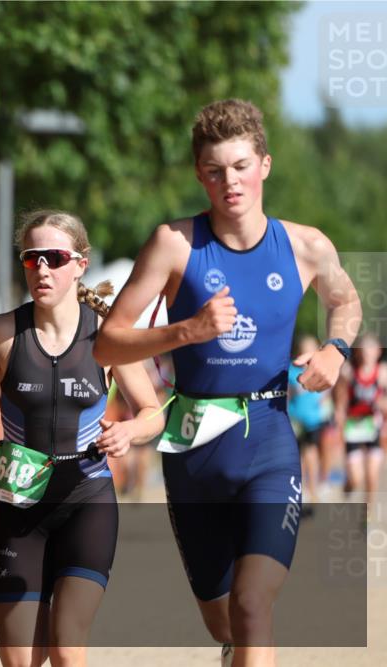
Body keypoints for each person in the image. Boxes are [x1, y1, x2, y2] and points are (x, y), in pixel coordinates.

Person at [93, 99, 361, 666]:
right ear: (199, 174)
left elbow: (346, 301)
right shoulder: (173, 244)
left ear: (265, 164)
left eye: (240, 166)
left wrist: (336, 351)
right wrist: (186, 329)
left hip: (267, 440)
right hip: (192, 452)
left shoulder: (305, 246)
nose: (229, 182)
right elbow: (109, 343)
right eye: (215, 170)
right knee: (224, 621)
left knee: (251, 603)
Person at [0, 210, 164, 667]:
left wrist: (130, 430)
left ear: (80, 264)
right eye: (32, 259)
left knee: (67, 651)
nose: (43, 269)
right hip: (18, 507)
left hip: (86, 502)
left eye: (55, 257)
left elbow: (152, 413)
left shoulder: (107, 337)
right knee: (20, 660)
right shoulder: (3, 333)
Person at [334, 332, 385, 507]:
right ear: (358, 352)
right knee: (356, 478)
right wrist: (339, 414)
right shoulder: (349, 372)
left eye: (371, 349)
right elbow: (340, 399)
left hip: (374, 426)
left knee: (372, 474)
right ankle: (349, 485)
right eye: (364, 350)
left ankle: (368, 512)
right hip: (353, 426)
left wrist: (381, 403)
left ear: (378, 351)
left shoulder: (383, 373)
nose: (367, 353)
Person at [287, 335, 333, 509]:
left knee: (312, 452)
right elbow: (288, 394)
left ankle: (313, 489)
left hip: (314, 418)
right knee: (298, 456)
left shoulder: (320, 368)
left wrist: (326, 402)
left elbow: (328, 387)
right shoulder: (292, 371)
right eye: (304, 348)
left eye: (311, 348)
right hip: (296, 418)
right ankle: (302, 490)